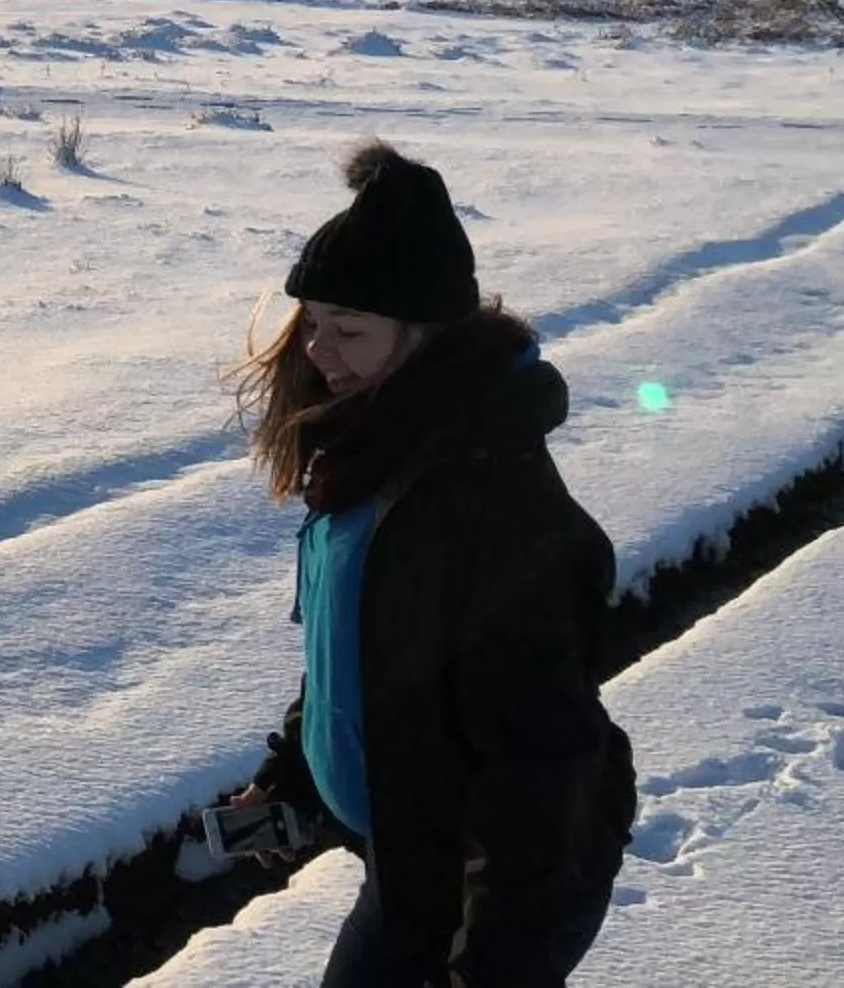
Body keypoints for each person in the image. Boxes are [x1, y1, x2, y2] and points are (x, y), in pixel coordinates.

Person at [227, 141, 635, 987]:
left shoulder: (491, 507)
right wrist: (297, 778)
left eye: (347, 330)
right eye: (309, 322)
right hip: (407, 855)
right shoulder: (367, 461)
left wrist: (489, 964)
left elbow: (539, 773)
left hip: (481, 888)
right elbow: (363, 658)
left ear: (426, 337)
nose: (315, 351)